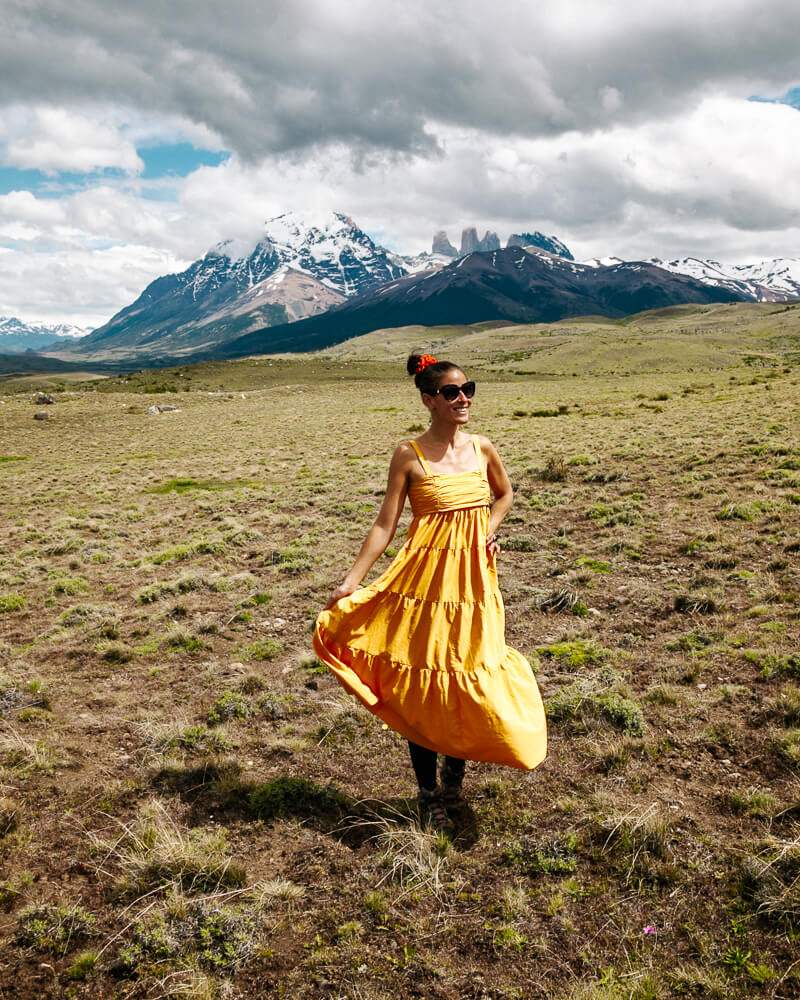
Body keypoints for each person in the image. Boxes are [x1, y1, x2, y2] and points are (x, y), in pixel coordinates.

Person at [314, 353, 547, 831]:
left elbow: (504, 494)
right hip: (422, 584)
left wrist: (488, 529)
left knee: (468, 672)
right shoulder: (409, 455)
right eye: (451, 392)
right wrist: (352, 581)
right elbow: (385, 524)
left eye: (468, 390)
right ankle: (427, 794)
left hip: (474, 586)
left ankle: (454, 784)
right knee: (427, 682)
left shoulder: (482, 448)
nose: (463, 399)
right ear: (429, 400)